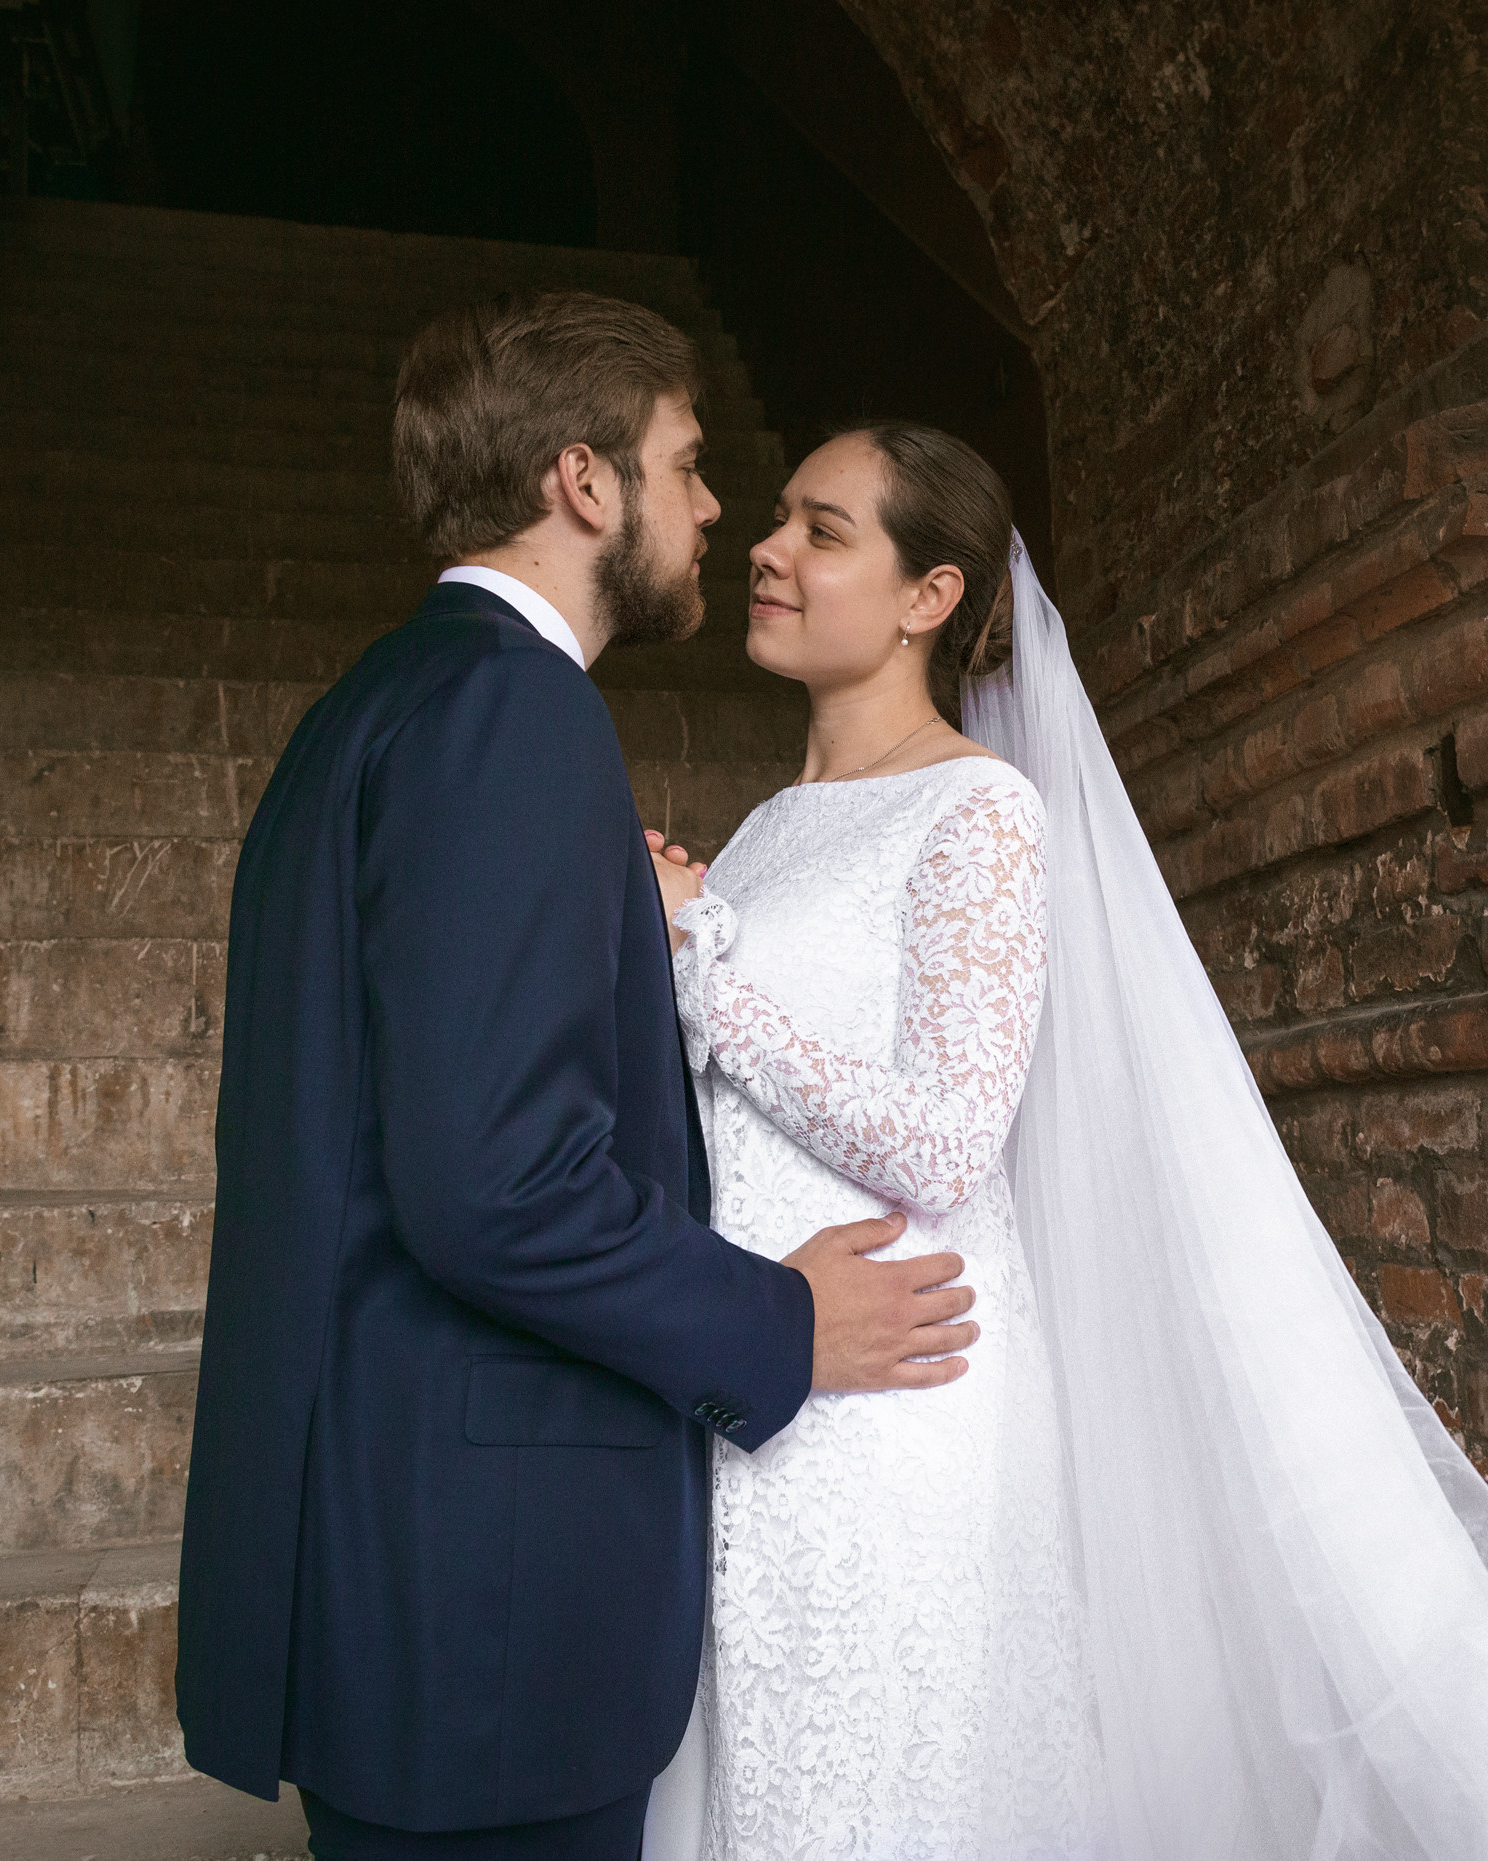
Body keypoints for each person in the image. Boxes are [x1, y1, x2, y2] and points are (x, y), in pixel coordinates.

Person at [642, 421, 1488, 1860]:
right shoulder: (760, 833)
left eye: (822, 529)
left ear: (927, 596)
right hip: (773, 1381)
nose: (766, 548)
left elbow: (947, 1138)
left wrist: (708, 974)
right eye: (775, 518)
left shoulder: (978, 813)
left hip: (899, 1401)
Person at [175, 294, 983, 1861]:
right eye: (685, 466)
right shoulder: (511, 713)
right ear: (583, 483)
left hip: (395, 1538)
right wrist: (783, 1323)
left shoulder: (382, 704)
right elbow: (491, 1184)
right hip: (487, 1587)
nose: (708, 510)